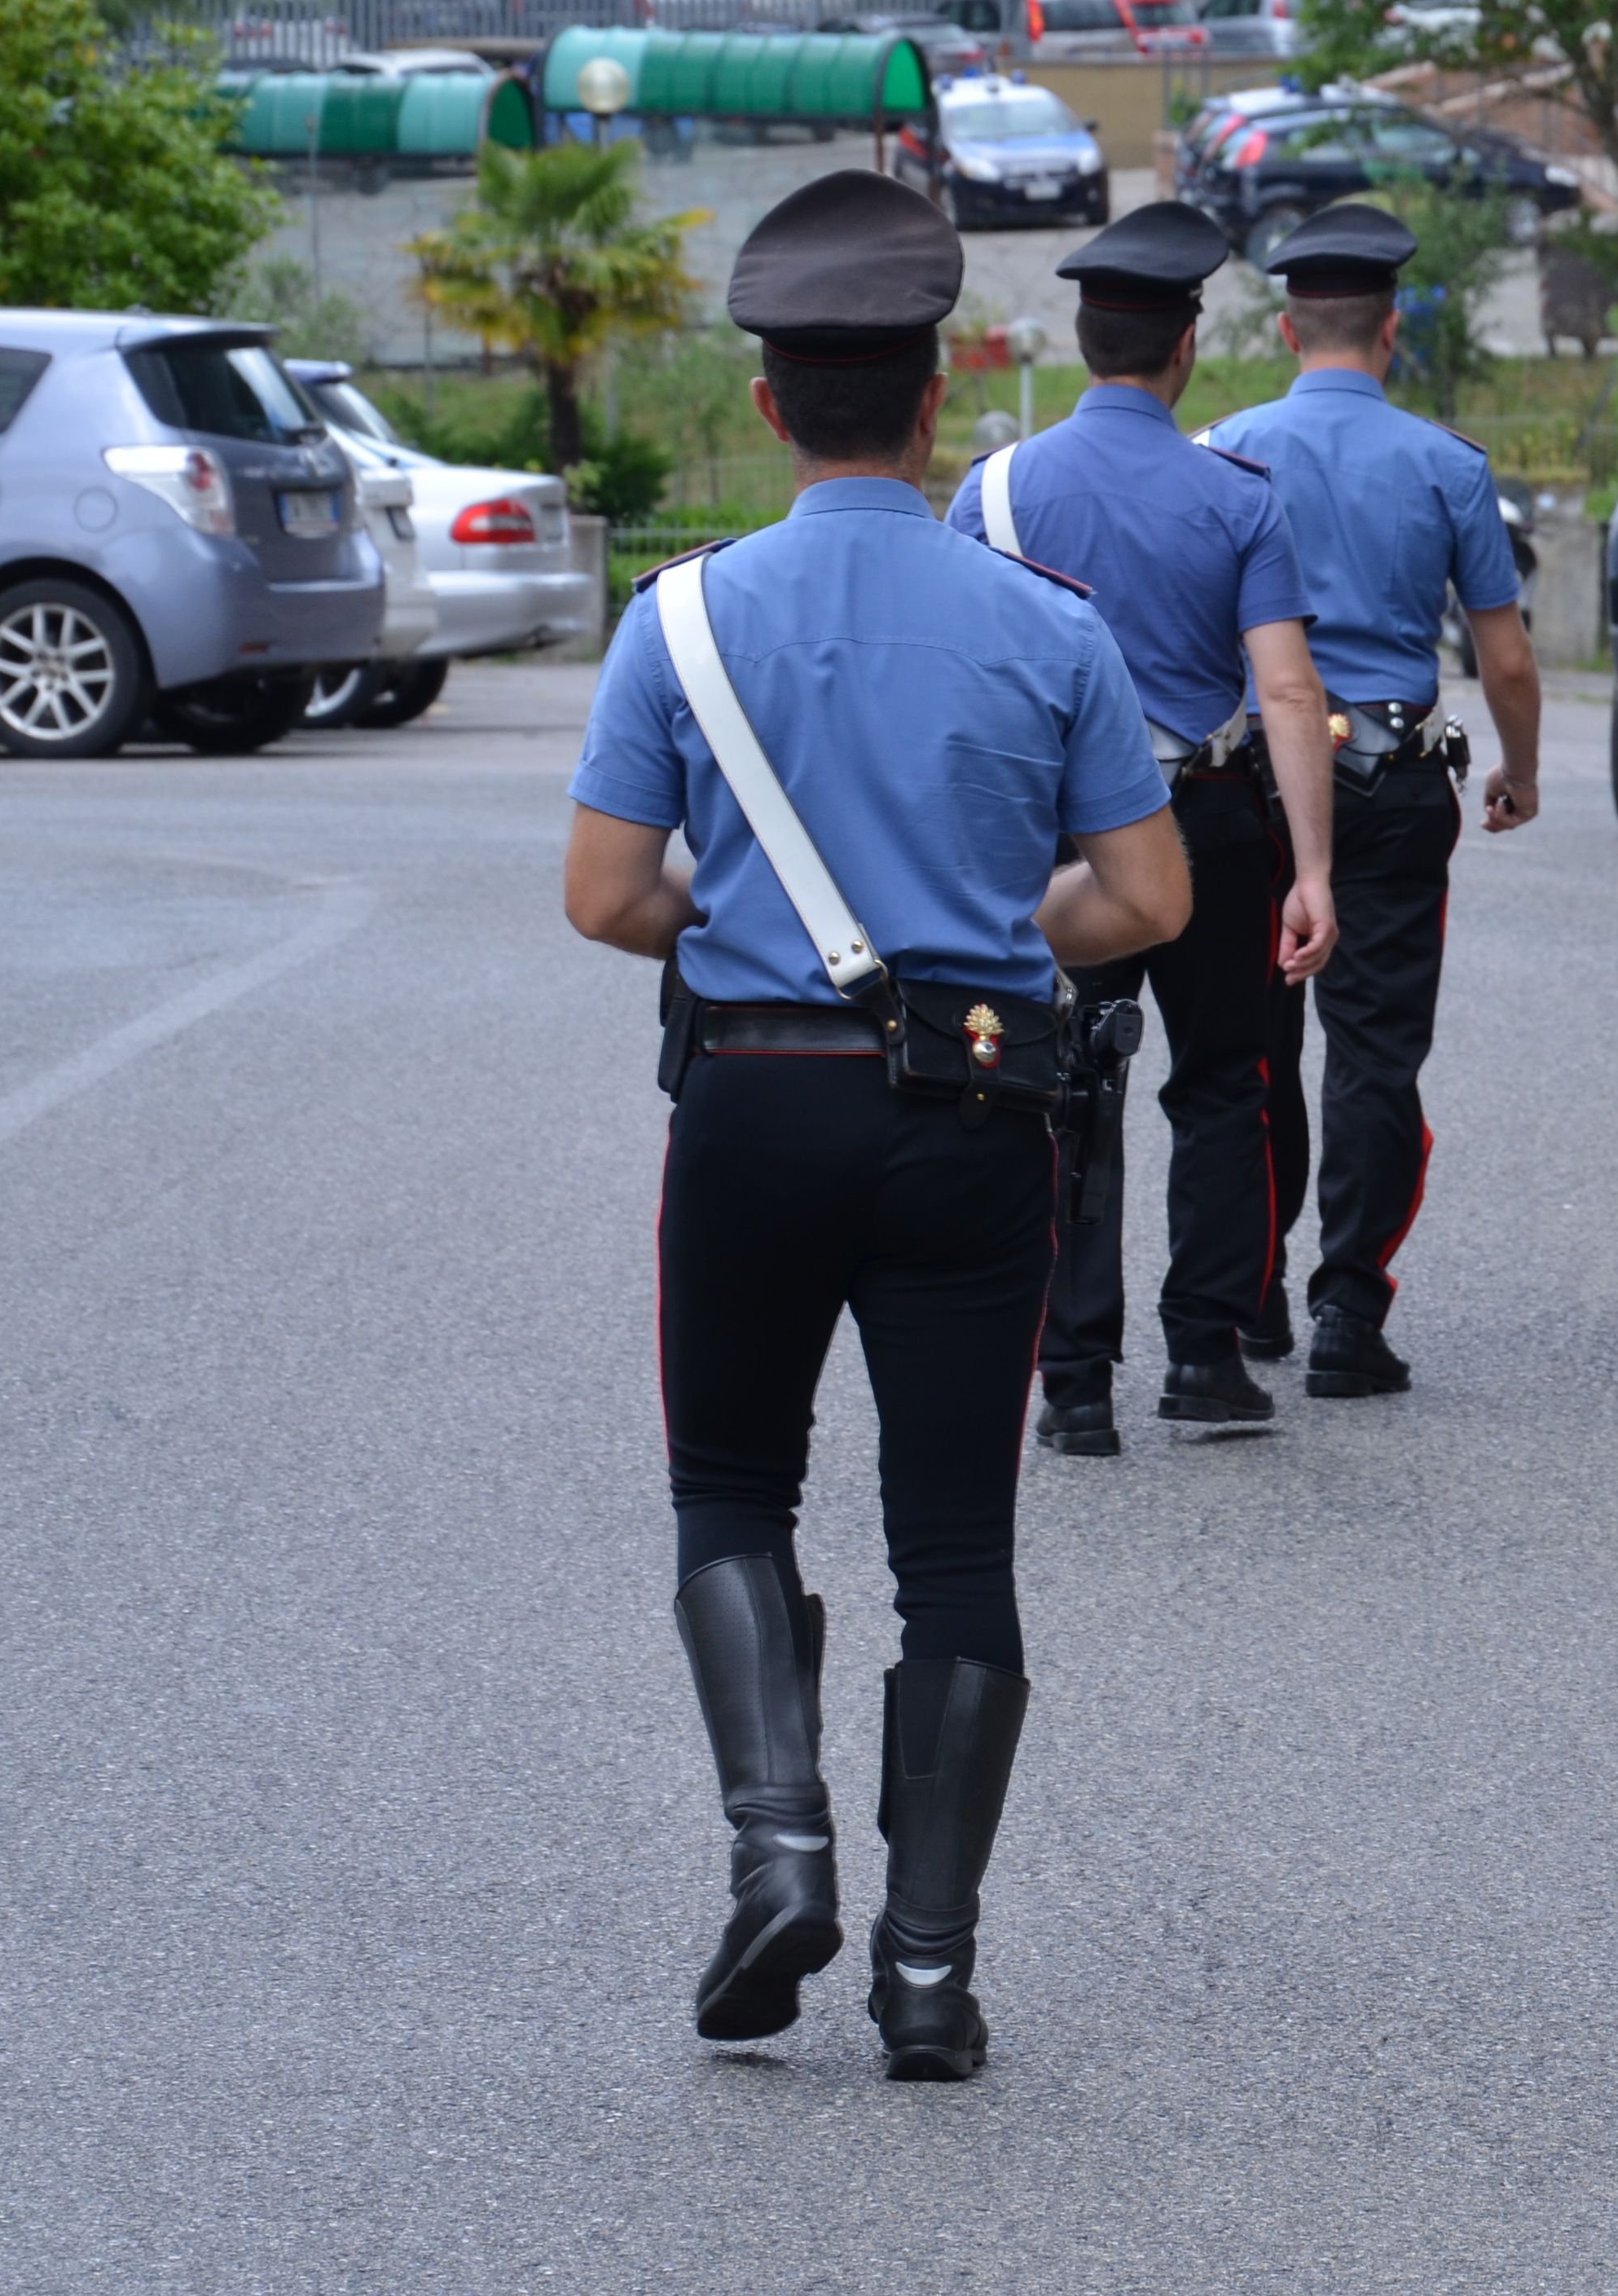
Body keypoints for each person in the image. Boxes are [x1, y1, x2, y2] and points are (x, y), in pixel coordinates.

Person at [561, 171, 1191, 2080]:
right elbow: (1145, 900)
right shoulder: (1047, 629)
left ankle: (779, 1849)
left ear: (770, 410)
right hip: (971, 1122)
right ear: (937, 404)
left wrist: (741, 935)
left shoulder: (678, 621)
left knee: (731, 1490)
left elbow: (604, 897)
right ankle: (928, 1974)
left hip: (752, 1105)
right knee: (957, 1545)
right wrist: (1007, 943)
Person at [947, 200, 1342, 1449]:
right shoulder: (1239, 499)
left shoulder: (994, 489)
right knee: (1226, 1083)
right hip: (1209, 824)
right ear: (1185, 349)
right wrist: (1315, 870)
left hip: (1055, 835)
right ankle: (1205, 1358)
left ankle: (1069, 1383)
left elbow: (960, 685)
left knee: (1061, 1091)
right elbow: (1286, 689)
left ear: (1082, 343)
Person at [1202, 200, 1542, 1397]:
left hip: (1251, 782)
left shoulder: (1226, 451)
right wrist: (1521, 772)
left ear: (1290, 330)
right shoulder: (1449, 466)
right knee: (1375, 1057)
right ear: (1390, 331)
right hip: (1393, 783)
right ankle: (1350, 1306)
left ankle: (1249, 1300)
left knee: (1252, 1049)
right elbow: (1503, 657)